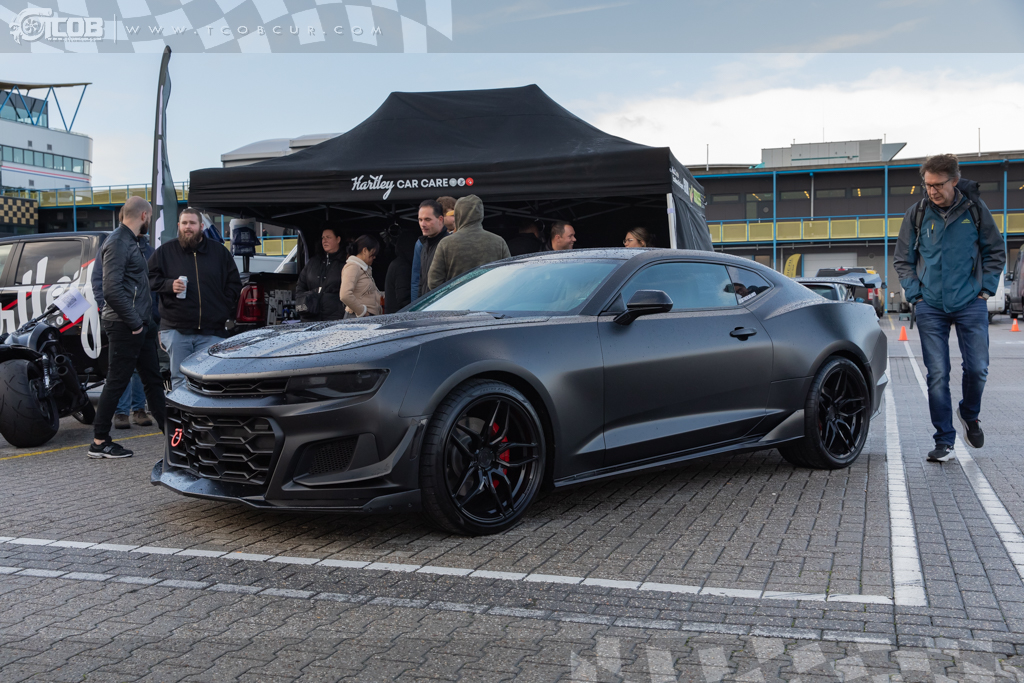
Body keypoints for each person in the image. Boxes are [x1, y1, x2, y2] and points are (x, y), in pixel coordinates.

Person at [894, 154, 1005, 463]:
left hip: (971, 302)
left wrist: (985, 290)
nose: (932, 191)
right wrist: (915, 295)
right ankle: (944, 440)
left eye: (938, 185)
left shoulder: (975, 210)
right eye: (927, 185)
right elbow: (903, 259)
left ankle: (969, 413)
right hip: (930, 305)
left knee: (978, 369)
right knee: (938, 374)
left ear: (954, 181)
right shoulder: (917, 214)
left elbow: (995, 251)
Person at [89, 196, 166, 459]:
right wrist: (134, 323)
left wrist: (146, 323)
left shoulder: (131, 241)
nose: (150, 221)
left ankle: (173, 438)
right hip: (125, 325)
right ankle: (99, 442)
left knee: (153, 380)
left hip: (140, 324)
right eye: (150, 217)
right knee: (117, 382)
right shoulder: (118, 242)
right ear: (144, 215)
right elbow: (110, 289)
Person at [149, 207, 242, 390]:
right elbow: (148, 278)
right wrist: (169, 285)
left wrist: (223, 307)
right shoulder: (165, 251)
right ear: (178, 225)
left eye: (192, 223)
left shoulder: (219, 252)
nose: (188, 227)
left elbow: (234, 283)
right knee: (180, 380)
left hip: (211, 331)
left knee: (210, 380)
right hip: (177, 330)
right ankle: (181, 410)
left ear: (201, 226)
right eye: (184, 223)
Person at [427, 195, 511, 291]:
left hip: (457, 298)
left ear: (458, 215)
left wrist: (452, 293)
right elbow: (508, 275)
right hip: (491, 297)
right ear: (480, 214)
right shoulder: (499, 242)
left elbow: (434, 282)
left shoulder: (446, 243)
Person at [295, 226, 346, 321]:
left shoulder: (346, 263)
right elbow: (300, 286)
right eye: (323, 238)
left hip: (336, 319)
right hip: (309, 317)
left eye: (328, 237)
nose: (324, 240)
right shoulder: (312, 262)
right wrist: (306, 300)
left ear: (338, 239)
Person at [410, 199, 449, 299]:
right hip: (426, 305)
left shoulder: (450, 244)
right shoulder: (423, 245)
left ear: (440, 219)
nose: (422, 224)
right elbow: (418, 282)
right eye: (420, 220)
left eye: (427, 219)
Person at [341, 234, 383, 317]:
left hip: (365, 318)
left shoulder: (363, 269)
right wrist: (362, 312)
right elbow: (345, 295)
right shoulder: (353, 267)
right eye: (373, 254)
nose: (374, 257)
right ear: (365, 251)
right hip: (356, 318)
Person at [385, 230, 418, 313]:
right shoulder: (402, 266)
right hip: (399, 316)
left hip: (393, 314)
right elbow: (403, 296)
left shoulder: (397, 263)